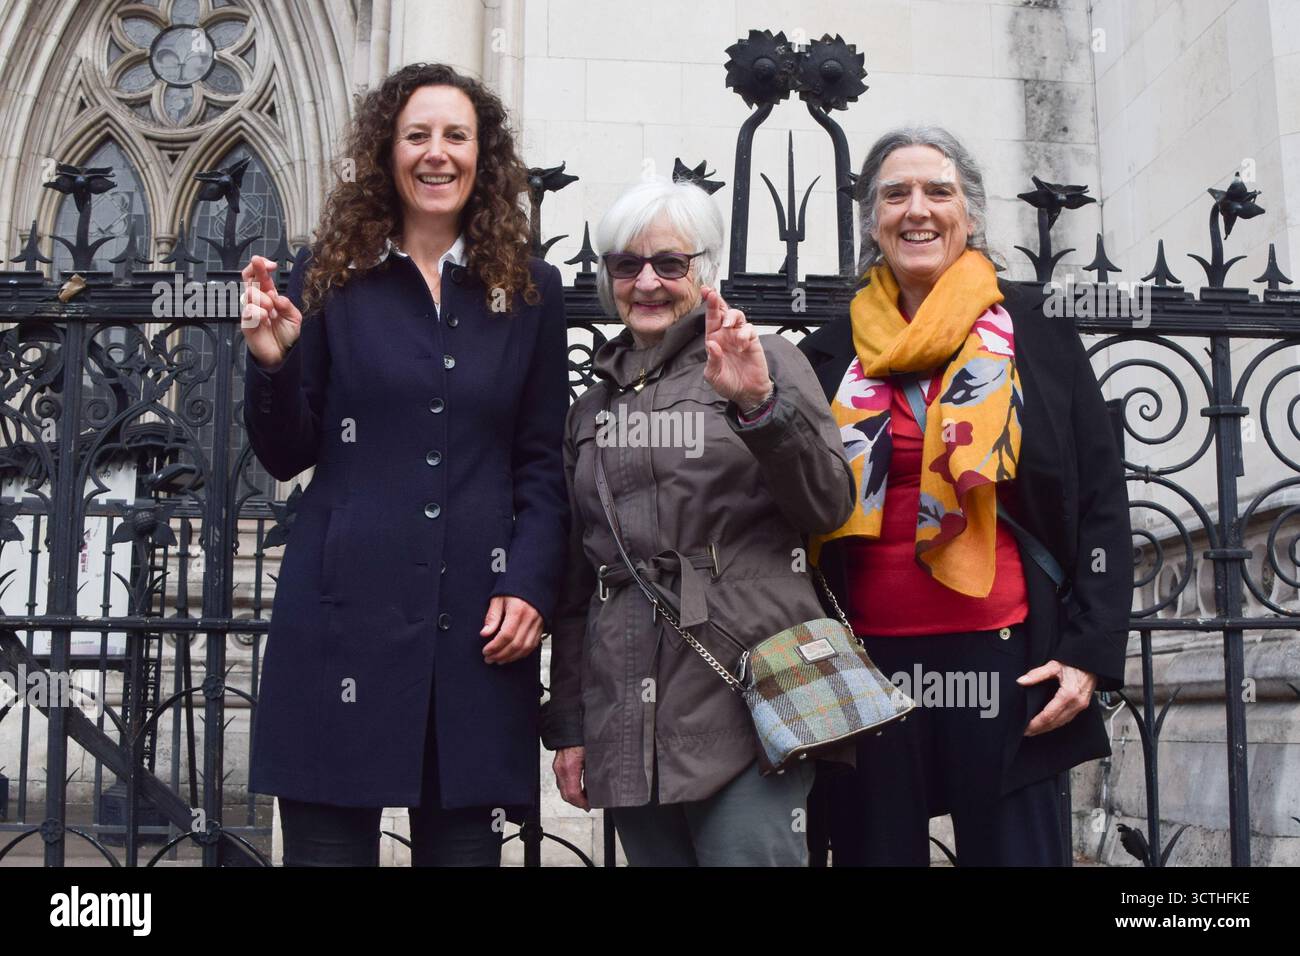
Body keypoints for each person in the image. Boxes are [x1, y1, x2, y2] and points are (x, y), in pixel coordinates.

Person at [239, 63, 569, 866]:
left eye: (455, 135)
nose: (436, 153)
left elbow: (541, 464)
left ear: (481, 154)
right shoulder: (330, 275)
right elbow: (286, 453)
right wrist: (272, 363)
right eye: (416, 135)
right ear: (387, 152)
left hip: (478, 638)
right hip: (339, 624)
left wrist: (528, 584)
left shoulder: (529, 291)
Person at [797, 126, 1132, 866]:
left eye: (938, 191)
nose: (917, 209)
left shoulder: (1036, 334)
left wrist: (1091, 653)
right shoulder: (826, 355)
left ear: (969, 215)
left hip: (1008, 659)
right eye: (896, 194)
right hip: (868, 663)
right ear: (873, 221)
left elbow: (1101, 500)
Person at [541, 178, 855, 866]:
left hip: (747, 692)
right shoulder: (590, 410)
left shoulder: (765, 360)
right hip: (624, 705)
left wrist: (760, 409)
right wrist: (570, 724)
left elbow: (829, 504)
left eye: (669, 263)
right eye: (627, 264)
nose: (646, 281)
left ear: (703, 271)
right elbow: (573, 582)